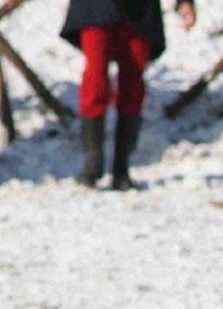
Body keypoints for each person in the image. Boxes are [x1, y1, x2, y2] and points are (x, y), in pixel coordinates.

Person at [48, 0, 197, 189]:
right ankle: (92, 165)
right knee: (95, 82)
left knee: (133, 84)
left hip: (139, 11)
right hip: (95, 7)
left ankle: (122, 169)